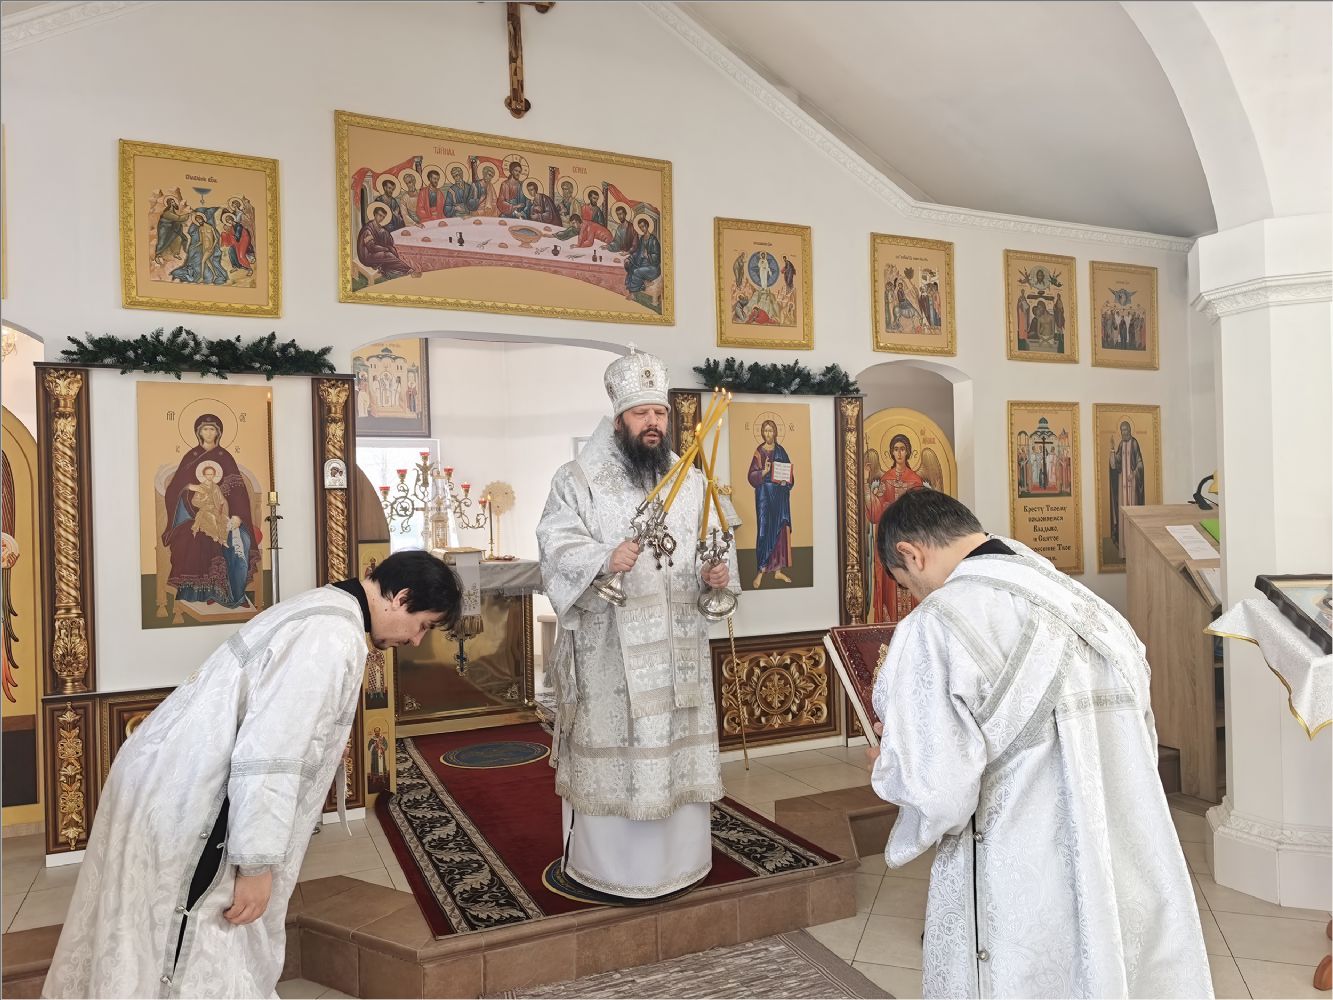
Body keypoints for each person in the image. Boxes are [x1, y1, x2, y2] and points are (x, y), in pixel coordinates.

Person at [43, 550, 462, 999]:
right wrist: (256, 865)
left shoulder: (324, 607)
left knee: (144, 939)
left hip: (170, 781)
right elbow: (269, 755)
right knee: (197, 944)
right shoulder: (332, 636)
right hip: (199, 805)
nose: (416, 640)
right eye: (423, 625)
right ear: (401, 598)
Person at [866, 489, 1212, 998]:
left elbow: (940, 793)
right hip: (1123, 850)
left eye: (907, 585)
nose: (916, 597)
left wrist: (893, 764)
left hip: (1021, 862)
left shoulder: (938, 622)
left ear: (911, 554)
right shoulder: (1089, 606)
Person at [536, 349, 738, 901]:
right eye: (641, 413)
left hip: (679, 653)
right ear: (619, 417)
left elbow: (714, 546)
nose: (653, 422)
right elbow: (555, 545)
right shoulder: (578, 479)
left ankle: (682, 863)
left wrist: (716, 573)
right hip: (610, 656)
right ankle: (611, 870)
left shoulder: (691, 481)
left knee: (674, 755)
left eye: (660, 413)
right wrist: (604, 558)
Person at [162, 414, 262, 611]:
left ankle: (235, 594)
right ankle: (206, 592)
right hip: (194, 515)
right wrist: (189, 487)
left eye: (212, 429)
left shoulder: (225, 457)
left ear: (219, 432)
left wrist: (237, 516)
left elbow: (238, 492)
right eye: (205, 429)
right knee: (191, 538)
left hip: (227, 516)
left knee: (239, 542)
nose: (209, 433)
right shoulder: (191, 457)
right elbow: (174, 490)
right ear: (198, 433)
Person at [864, 434, 923, 622]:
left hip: (910, 542)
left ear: (908, 452)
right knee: (890, 586)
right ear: (891, 452)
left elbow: (921, 512)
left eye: (902, 449)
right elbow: (875, 513)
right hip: (890, 544)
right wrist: (866, 484)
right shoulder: (886, 479)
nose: (899, 453)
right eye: (896, 449)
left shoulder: (915, 481)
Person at [747, 418, 794, 588]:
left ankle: (778, 570)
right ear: (762, 433)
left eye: (770, 430)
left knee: (780, 531)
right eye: (765, 431)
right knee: (764, 531)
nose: (768, 434)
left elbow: (789, 475)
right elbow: (751, 476)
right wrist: (764, 472)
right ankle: (761, 571)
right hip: (764, 496)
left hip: (779, 496)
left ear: (775, 432)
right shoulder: (759, 452)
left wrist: (786, 481)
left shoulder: (781, 451)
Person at [1109, 419, 1145, 556]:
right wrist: (1112, 449)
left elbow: (1140, 463)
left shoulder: (1134, 443)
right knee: (1123, 515)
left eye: (1125, 430)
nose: (1124, 433)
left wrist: (1134, 473)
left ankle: (1134, 549)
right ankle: (1124, 550)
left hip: (1132, 484)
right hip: (1122, 484)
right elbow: (1114, 465)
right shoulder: (1121, 444)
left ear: (1130, 430)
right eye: (1122, 430)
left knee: (1133, 514)